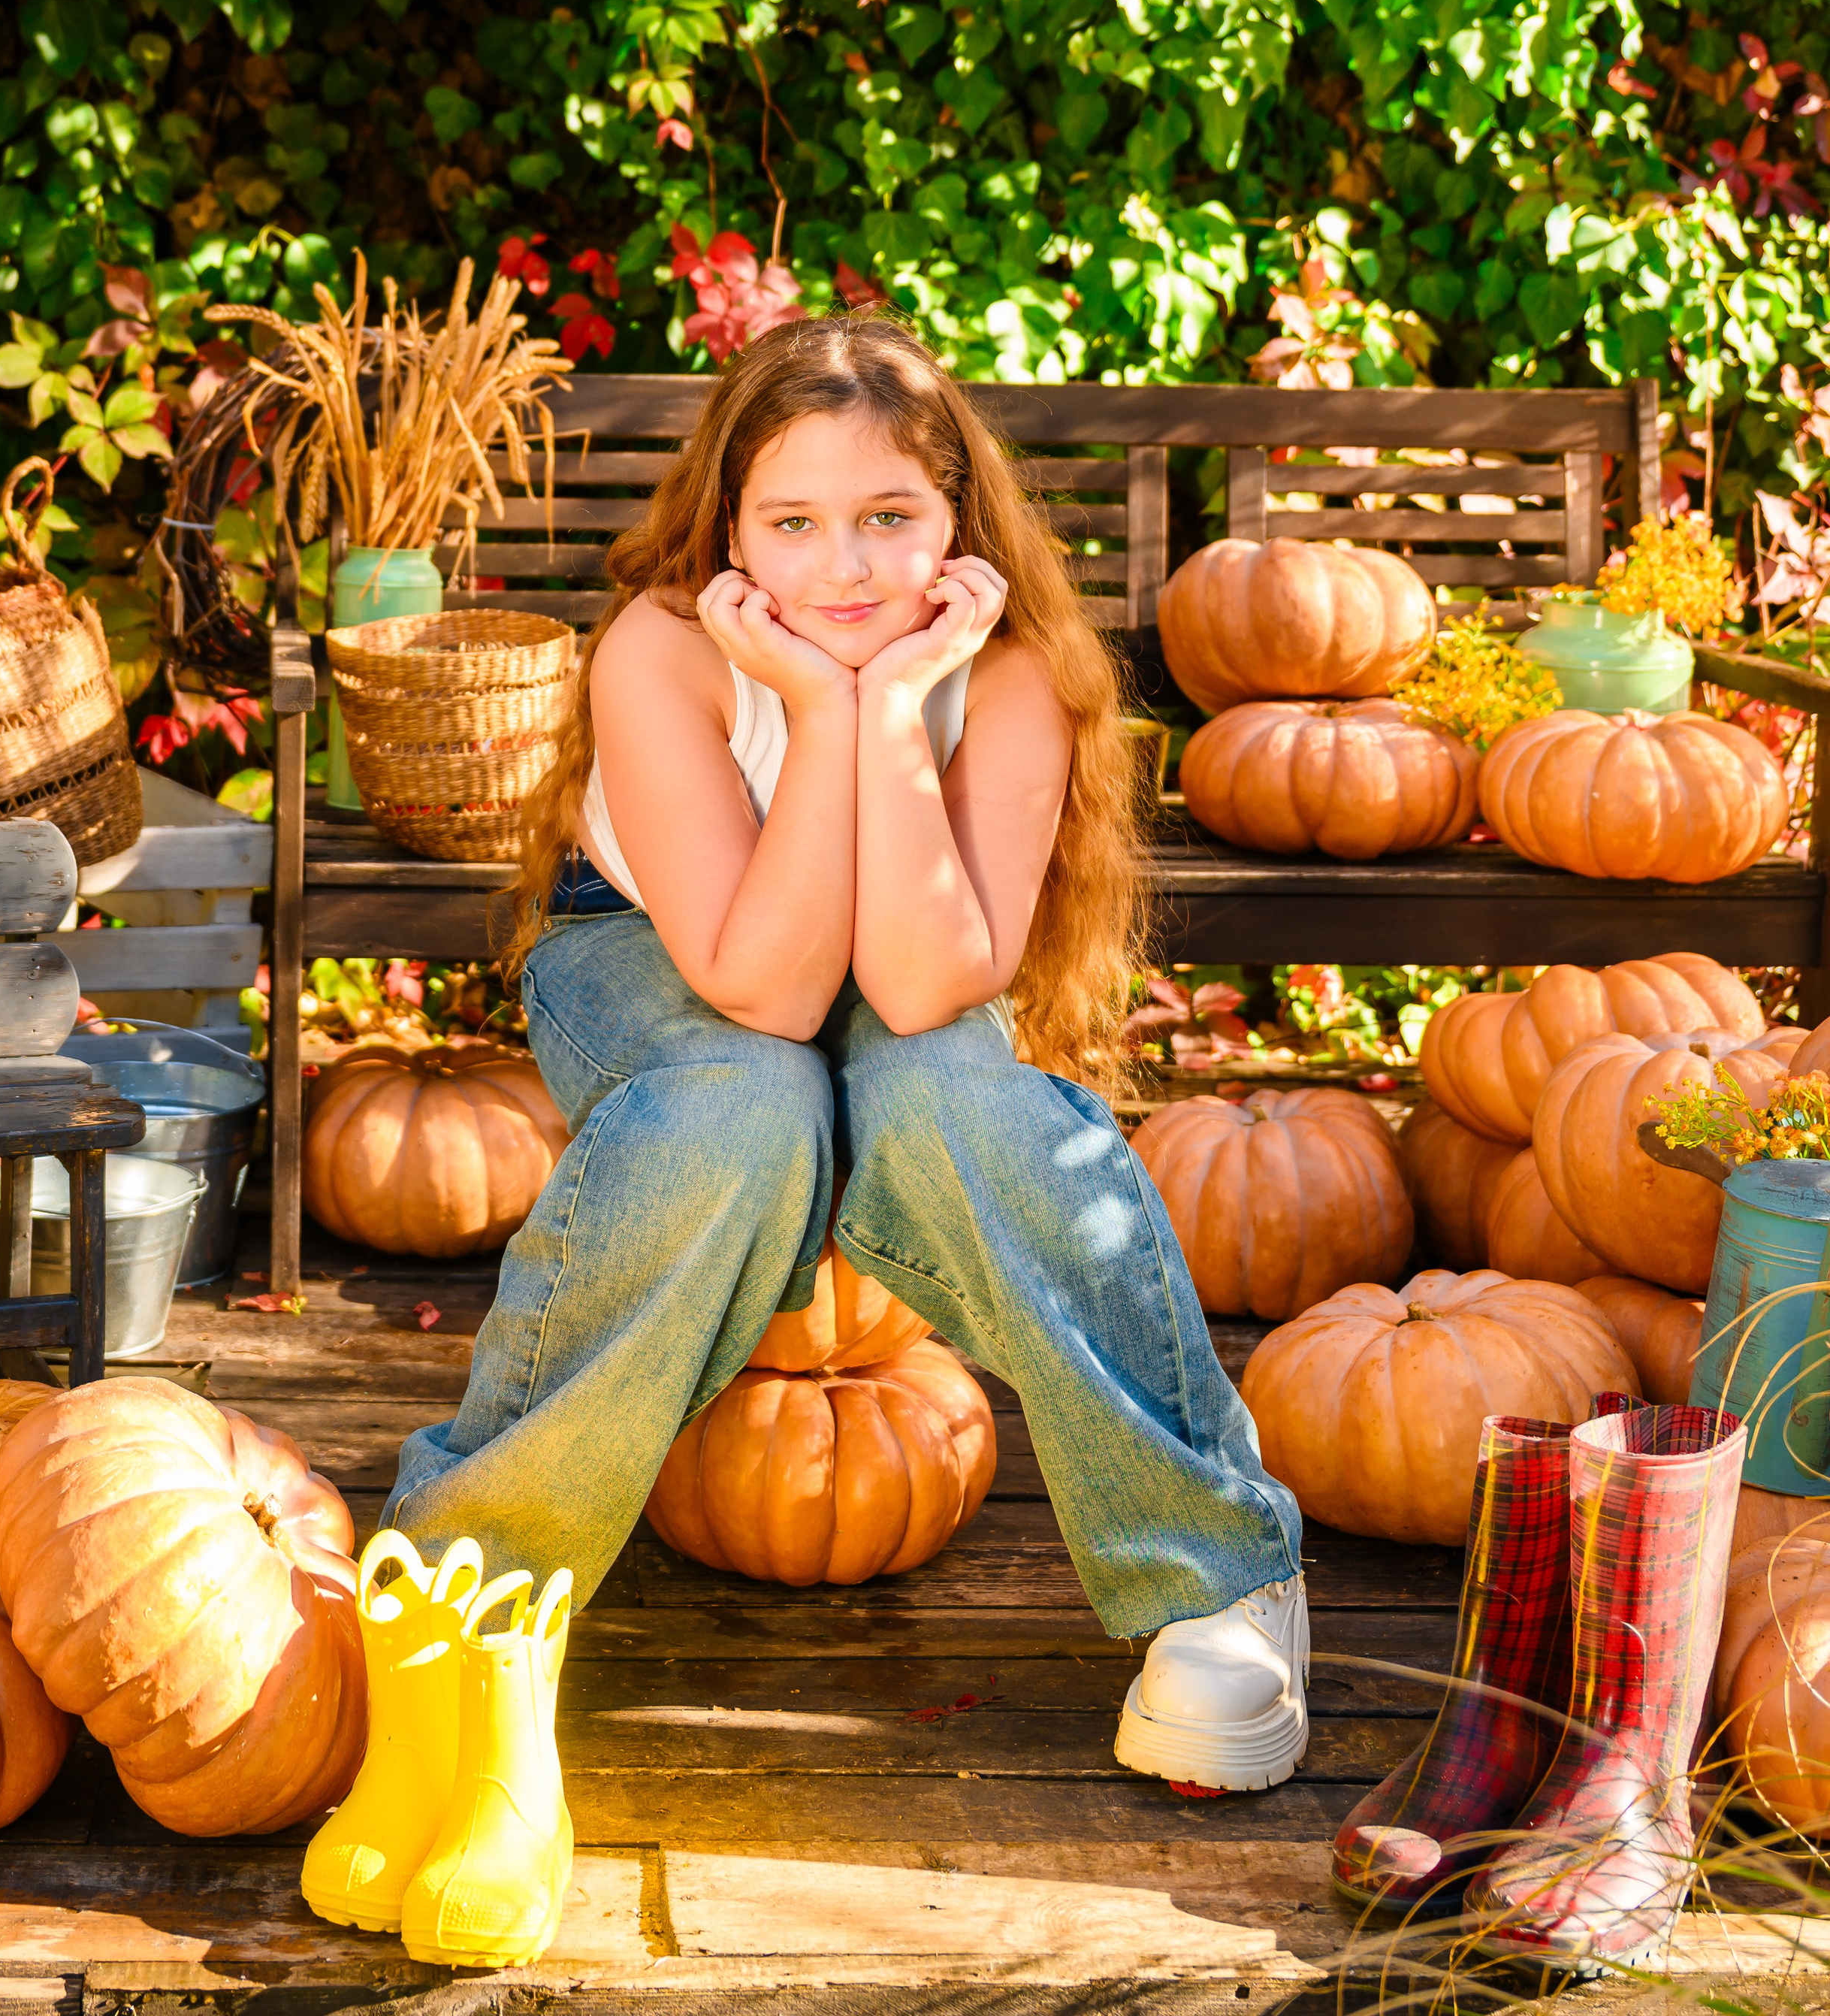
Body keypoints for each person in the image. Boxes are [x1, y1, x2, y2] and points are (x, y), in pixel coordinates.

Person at [383, 313, 1307, 1792]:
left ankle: (1216, 1576)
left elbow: (928, 974)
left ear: (958, 525)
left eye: (889, 518)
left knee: (953, 1098)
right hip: (651, 949)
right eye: (793, 522)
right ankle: (461, 1591)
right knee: (739, 1111)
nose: (846, 566)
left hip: (896, 960)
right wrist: (818, 706)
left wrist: (883, 714)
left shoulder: (1003, 673)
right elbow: (758, 982)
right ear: (730, 528)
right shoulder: (663, 648)